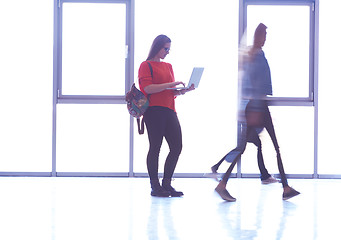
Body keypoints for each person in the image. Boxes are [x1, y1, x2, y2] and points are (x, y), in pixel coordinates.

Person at [214, 23, 300, 201]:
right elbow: (253, 83)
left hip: (258, 105)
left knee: (249, 148)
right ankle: (222, 184)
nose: (265, 39)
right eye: (264, 36)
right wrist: (253, 110)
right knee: (257, 147)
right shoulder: (255, 55)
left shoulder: (256, 54)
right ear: (258, 36)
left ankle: (285, 187)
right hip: (257, 106)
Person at [138, 35, 194, 197]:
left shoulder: (168, 66)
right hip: (153, 111)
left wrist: (183, 91)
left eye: (169, 49)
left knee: (177, 146)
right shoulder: (145, 65)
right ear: (157, 47)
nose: (168, 52)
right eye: (166, 48)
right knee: (155, 147)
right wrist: (170, 85)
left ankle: (167, 184)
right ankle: (155, 186)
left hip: (170, 110)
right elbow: (147, 88)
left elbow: (169, 92)